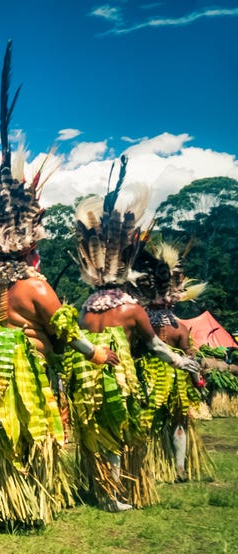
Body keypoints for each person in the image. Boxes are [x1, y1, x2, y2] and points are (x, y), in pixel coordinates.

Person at [0, 42, 119, 527]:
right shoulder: (35, 287)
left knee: (4, 436)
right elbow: (64, 329)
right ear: (30, 245)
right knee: (28, 434)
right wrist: (97, 354)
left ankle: (1, 505)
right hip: (28, 374)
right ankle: (23, 509)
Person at [65, 158, 203, 511]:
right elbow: (155, 344)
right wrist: (179, 360)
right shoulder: (131, 309)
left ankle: (97, 488)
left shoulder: (86, 307)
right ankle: (111, 496)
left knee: (95, 433)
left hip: (85, 377)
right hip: (115, 375)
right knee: (118, 431)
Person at [131, 240, 210, 482]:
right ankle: (178, 467)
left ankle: (148, 466)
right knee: (179, 423)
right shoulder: (180, 328)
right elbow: (189, 357)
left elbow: (134, 351)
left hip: (147, 384)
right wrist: (197, 380)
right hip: (176, 388)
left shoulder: (142, 323)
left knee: (148, 422)